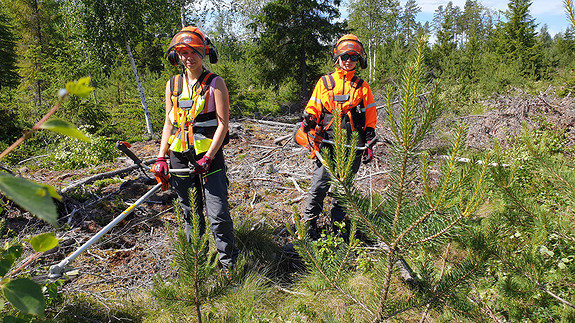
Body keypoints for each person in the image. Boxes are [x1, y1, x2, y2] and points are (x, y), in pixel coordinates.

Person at [153, 26, 237, 269]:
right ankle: (198, 266)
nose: (188, 58)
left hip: (208, 157)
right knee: (190, 212)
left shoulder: (215, 83)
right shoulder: (173, 85)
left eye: (193, 52)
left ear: (204, 53)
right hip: (179, 155)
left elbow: (223, 124)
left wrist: (209, 157)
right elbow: (169, 122)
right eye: (182, 53)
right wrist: (161, 157)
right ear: (176, 55)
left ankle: (229, 264)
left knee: (218, 212)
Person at [300, 34, 377, 240]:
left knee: (344, 187)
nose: (348, 60)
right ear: (337, 57)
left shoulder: (362, 86)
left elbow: (370, 114)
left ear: (359, 60)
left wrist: (369, 137)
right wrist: (309, 120)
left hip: (353, 145)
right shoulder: (324, 82)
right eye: (344, 56)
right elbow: (313, 107)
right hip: (326, 142)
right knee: (319, 184)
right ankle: (309, 226)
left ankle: (338, 228)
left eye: (353, 57)